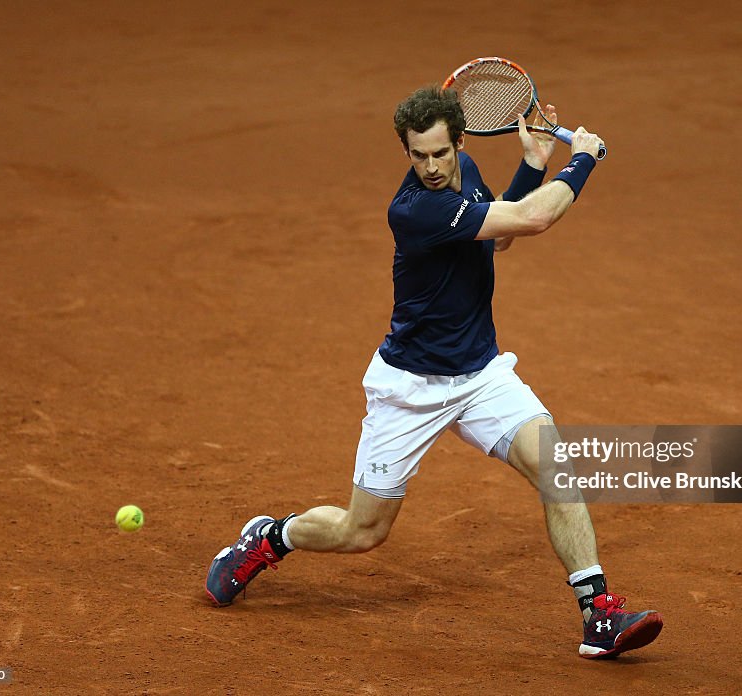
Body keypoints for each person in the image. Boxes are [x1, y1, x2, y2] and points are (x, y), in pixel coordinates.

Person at [205, 86, 663, 659]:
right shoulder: (413, 209)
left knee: (557, 468)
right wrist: (581, 160)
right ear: (407, 152)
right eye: (418, 156)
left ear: (460, 143)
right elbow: (534, 219)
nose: (431, 167)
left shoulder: (464, 172)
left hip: (479, 375)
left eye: (441, 154)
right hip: (409, 388)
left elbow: (498, 242)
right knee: (363, 531)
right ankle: (271, 537)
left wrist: (531, 164)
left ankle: (599, 616)